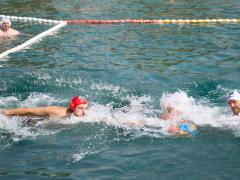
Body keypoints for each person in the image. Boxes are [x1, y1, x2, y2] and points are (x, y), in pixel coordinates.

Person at [2, 96, 88, 120]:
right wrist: (7, 113)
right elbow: (29, 111)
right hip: (30, 123)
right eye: (80, 108)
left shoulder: (84, 116)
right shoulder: (56, 111)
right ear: (73, 107)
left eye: (86, 108)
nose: (84, 112)